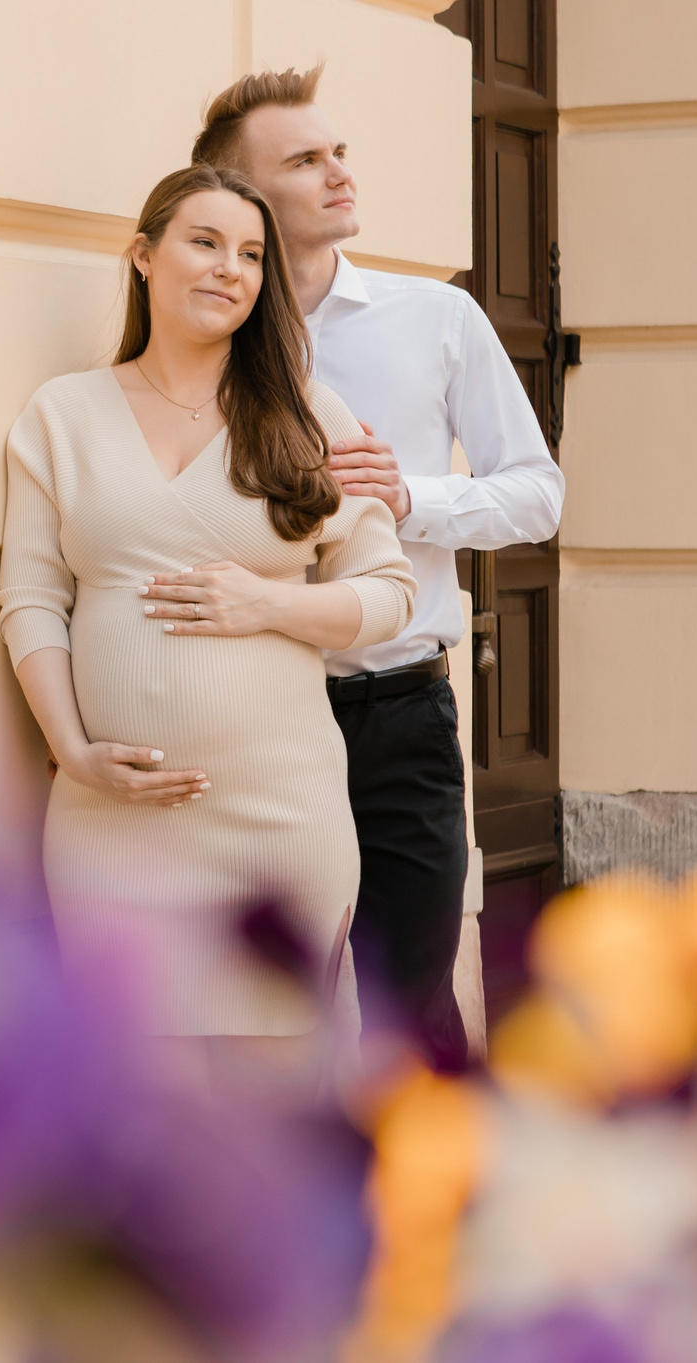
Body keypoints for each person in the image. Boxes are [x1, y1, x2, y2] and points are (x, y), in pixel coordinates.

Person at [0, 165, 418, 1094]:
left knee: (279, 1103)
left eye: (253, 254)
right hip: (113, 820)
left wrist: (270, 605)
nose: (231, 268)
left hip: (277, 819)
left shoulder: (308, 415)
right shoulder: (62, 415)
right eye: (205, 242)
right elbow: (31, 595)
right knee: (130, 1105)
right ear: (144, 255)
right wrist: (71, 749)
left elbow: (387, 591)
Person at [190, 66, 564, 1062]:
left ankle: (457, 1210)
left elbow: (536, 492)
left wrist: (410, 498)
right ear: (244, 200)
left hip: (400, 714)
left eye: (338, 152)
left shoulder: (435, 320)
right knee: (269, 1015)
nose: (338, 174)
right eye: (305, 161)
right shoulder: (205, 340)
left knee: (412, 1010)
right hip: (254, 719)